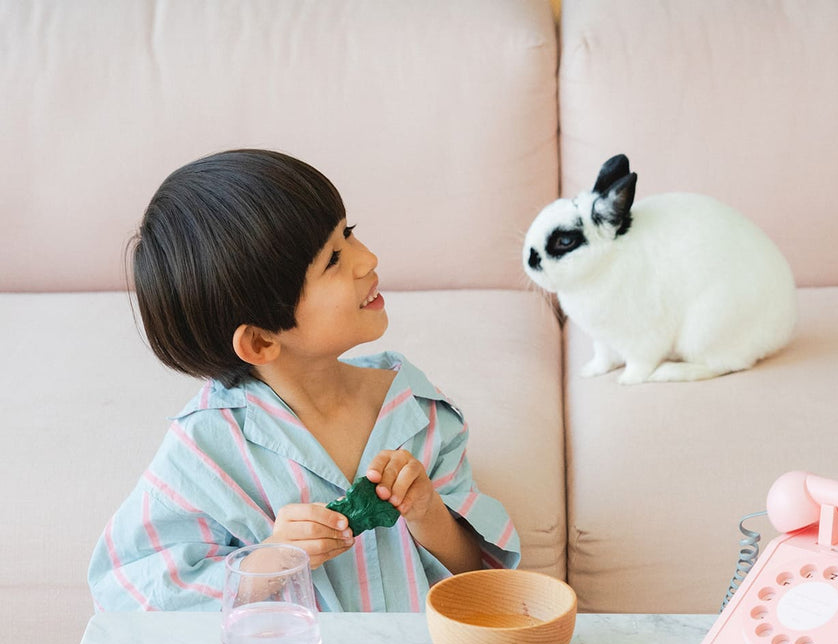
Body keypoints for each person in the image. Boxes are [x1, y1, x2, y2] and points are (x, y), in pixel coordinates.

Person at [88, 149, 519, 611]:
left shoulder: (418, 409)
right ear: (260, 341)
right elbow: (127, 592)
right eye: (333, 259)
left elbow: (476, 577)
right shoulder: (207, 449)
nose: (367, 259)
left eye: (348, 233)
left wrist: (428, 512)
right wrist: (269, 560)